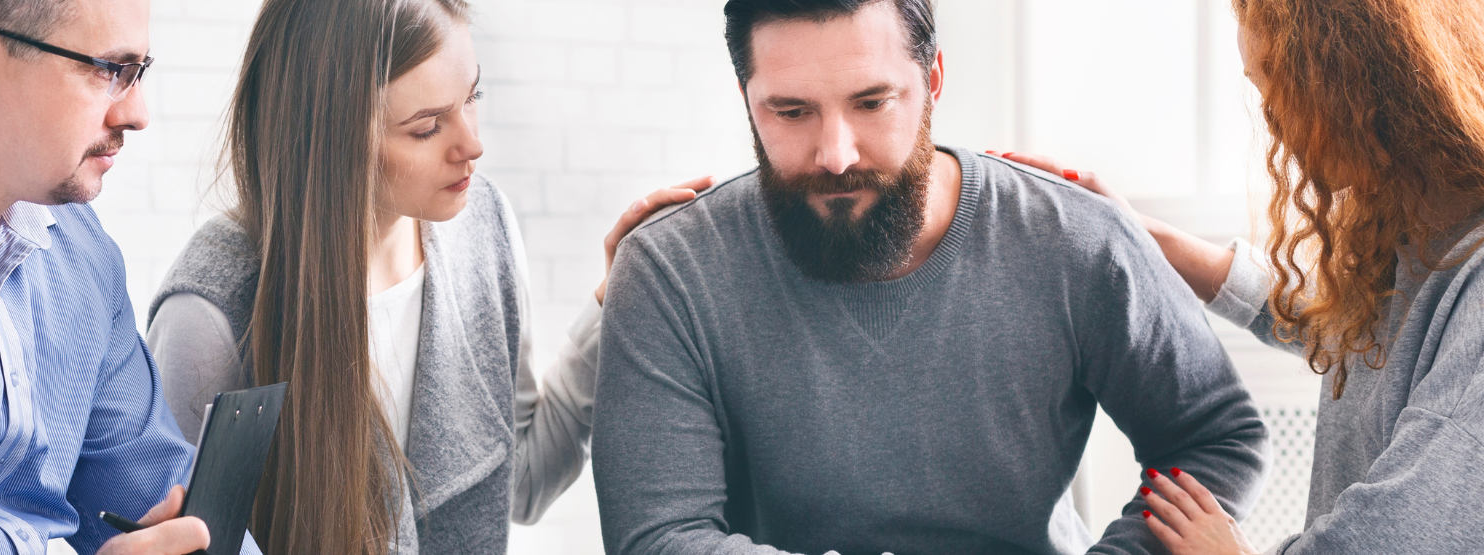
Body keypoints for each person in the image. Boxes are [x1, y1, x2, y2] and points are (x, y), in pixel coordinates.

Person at [589, 0, 1273, 554]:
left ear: (934, 82)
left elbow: (1213, 435)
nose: (836, 154)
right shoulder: (668, 270)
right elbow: (658, 534)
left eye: (871, 102)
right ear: (747, 98)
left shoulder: (1078, 238)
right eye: (791, 111)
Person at [143, 0, 709, 553]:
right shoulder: (210, 318)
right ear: (332, 140)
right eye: (427, 127)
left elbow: (524, 479)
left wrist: (616, 302)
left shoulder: (483, 229)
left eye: (473, 97)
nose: (472, 145)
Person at [1008, 0, 1484, 553]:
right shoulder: (1422, 224)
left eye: (1283, 94)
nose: (1276, 130)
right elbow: (1350, 325)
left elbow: (1403, 535)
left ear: (1359, 81)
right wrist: (1138, 235)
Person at [0, 0, 250, 553]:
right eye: (110, 70)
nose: (138, 112)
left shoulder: (79, 252)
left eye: (139, 73)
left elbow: (155, 496)